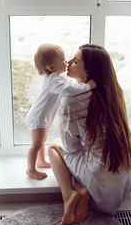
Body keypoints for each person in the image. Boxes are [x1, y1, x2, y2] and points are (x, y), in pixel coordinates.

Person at [48, 44, 131, 225]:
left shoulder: (72, 99)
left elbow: (70, 147)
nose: (69, 62)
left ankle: (69, 195)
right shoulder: (113, 91)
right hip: (127, 176)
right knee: (88, 152)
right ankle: (82, 188)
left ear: (88, 71)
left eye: (76, 61)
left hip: (102, 185)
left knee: (53, 146)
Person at [26, 44, 96, 180]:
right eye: (63, 60)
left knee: (41, 141)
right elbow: (69, 89)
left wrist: (81, 82)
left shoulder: (58, 77)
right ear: (51, 67)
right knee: (36, 144)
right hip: (38, 118)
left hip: (42, 118)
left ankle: (40, 161)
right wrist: (88, 86)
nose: (66, 62)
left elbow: (71, 84)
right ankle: (30, 169)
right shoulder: (52, 80)